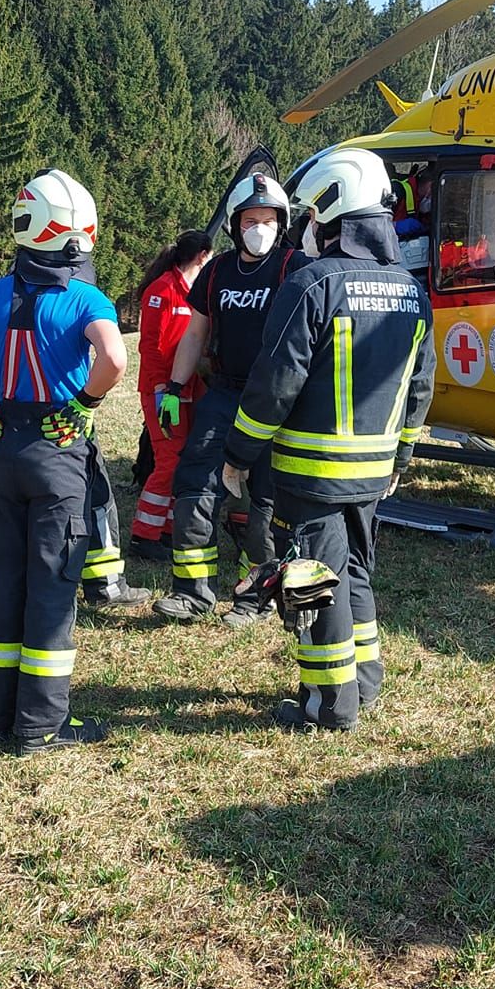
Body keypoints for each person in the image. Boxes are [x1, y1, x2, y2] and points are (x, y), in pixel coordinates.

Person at [221, 146, 436, 732]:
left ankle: (329, 704)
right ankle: (364, 682)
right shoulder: (412, 290)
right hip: (374, 472)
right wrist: (402, 456)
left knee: (316, 583)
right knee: (356, 573)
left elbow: (275, 381)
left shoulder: (312, 284)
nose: (308, 229)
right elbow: (421, 385)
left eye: (313, 216)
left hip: (312, 474)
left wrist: (239, 454)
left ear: (333, 211)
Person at [0, 167, 128, 753]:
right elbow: (114, 360)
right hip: (59, 451)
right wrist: (84, 404)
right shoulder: (85, 297)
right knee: (52, 587)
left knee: (7, 584)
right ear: (77, 235)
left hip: (5, 448)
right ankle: (41, 725)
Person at [152, 170, 293, 628]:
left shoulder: (296, 268)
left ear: (282, 222)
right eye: (250, 220)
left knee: (266, 498)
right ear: (234, 225)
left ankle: (256, 597)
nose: (259, 228)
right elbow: (195, 333)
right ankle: (192, 593)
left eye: (268, 220)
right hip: (224, 392)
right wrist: (175, 388)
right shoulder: (216, 272)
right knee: (195, 482)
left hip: (276, 400)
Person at [127, 229, 212, 555]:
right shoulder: (162, 290)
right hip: (162, 391)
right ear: (203, 256)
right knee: (169, 461)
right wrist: (162, 389)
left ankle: (166, 528)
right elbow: (150, 347)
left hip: (188, 388)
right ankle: (144, 535)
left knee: (184, 459)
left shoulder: (194, 292)